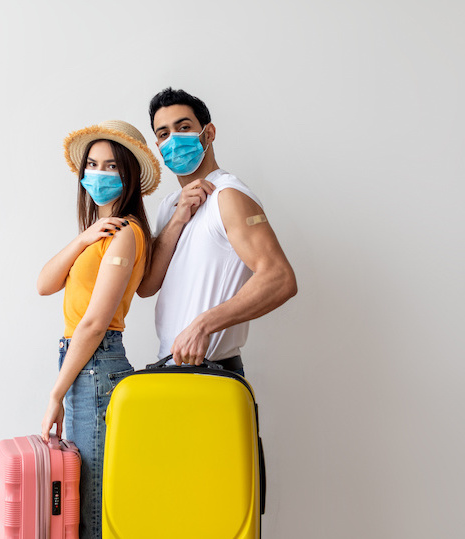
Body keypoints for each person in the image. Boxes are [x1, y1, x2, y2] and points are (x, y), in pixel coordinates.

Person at [37, 120, 160, 539]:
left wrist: (55, 394)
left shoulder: (125, 234)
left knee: (92, 509)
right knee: (84, 502)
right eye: (93, 164)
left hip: (95, 363)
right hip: (83, 364)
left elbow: (92, 322)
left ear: (128, 176)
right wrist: (82, 239)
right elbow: (43, 284)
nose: (99, 174)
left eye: (112, 166)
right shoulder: (99, 235)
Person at [137, 88, 297, 376]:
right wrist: (176, 220)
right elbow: (146, 286)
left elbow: (280, 278)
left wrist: (203, 325)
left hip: (212, 371)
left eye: (183, 127)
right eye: (163, 134)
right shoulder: (169, 206)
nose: (173, 139)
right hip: (167, 369)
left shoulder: (228, 195)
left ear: (208, 133)